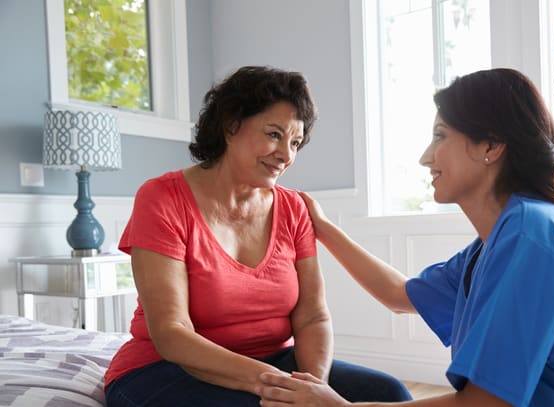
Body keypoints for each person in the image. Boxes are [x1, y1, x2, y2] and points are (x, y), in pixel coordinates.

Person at [257, 68, 554, 406]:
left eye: (440, 136)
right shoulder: (496, 244)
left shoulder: (534, 236)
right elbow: (397, 294)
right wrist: (324, 227)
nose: (425, 157)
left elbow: (487, 404)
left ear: (490, 146)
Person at [103, 66, 412, 406]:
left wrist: (313, 389)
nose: (287, 155)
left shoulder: (294, 207)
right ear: (231, 125)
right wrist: (277, 388)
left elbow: (312, 315)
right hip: (165, 370)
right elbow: (172, 333)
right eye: (274, 134)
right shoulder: (162, 197)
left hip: (275, 363)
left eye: (295, 142)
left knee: (389, 393)